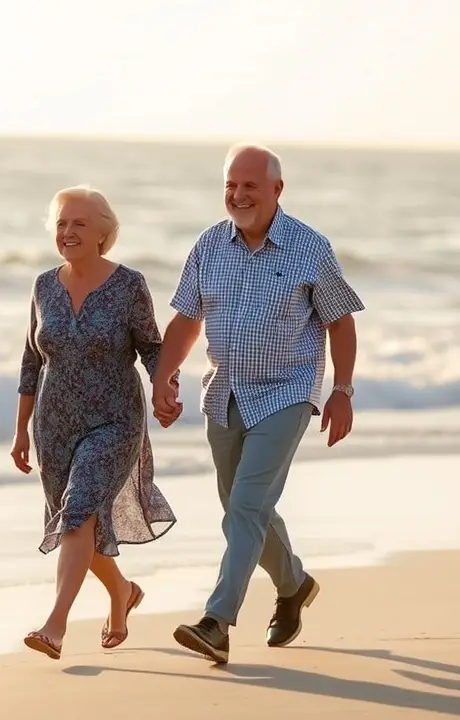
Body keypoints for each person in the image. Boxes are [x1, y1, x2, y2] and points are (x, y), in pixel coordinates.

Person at [150, 144, 364, 664]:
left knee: (246, 506)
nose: (239, 195)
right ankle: (293, 584)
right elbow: (186, 319)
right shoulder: (208, 246)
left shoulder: (308, 247)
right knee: (241, 508)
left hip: (286, 392)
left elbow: (340, 321)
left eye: (250, 186)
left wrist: (341, 391)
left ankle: (217, 622)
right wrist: (163, 376)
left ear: (276, 190)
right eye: (231, 185)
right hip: (224, 393)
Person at [12, 185, 178, 660]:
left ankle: (55, 625)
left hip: (114, 419)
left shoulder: (128, 285)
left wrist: (165, 387)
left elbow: (151, 346)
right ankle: (122, 592)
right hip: (54, 425)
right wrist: (20, 430)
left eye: (79, 223)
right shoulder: (44, 286)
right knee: (76, 524)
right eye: (61, 223)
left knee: (80, 508)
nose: (68, 232)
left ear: (104, 232)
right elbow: (30, 360)